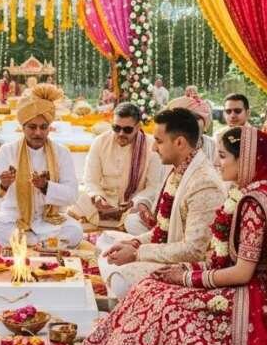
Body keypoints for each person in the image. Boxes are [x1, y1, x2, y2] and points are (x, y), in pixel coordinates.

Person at [68, 126, 267, 345]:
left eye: (223, 156)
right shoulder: (242, 194)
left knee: (168, 307)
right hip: (230, 282)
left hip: (250, 297)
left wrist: (186, 278)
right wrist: (183, 271)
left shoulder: (254, 204)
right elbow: (217, 256)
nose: (218, 162)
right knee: (149, 287)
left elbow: (243, 272)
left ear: (245, 161)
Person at [96, 108, 226, 299]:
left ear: (179, 142)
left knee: (119, 278)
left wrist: (136, 253)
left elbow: (194, 251)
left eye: (158, 141)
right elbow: (162, 231)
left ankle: (125, 302)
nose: (153, 148)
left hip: (187, 267)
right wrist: (133, 242)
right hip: (170, 250)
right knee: (106, 241)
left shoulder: (204, 183)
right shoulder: (179, 170)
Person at [0, 84, 82, 247]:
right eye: (32, 127)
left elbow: (72, 195)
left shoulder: (61, 152)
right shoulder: (8, 151)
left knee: (75, 232)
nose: (38, 133)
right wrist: (3, 185)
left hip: (48, 219)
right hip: (14, 218)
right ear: (23, 127)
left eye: (43, 127)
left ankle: (25, 243)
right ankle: (42, 244)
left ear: (50, 127)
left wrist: (46, 187)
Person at [70, 103, 162, 229]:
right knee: (79, 201)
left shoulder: (151, 146)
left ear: (138, 127)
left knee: (136, 221)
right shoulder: (100, 141)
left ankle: (123, 224)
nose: (121, 133)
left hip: (133, 203)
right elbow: (90, 179)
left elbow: (154, 186)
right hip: (103, 201)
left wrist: (134, 202)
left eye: (127, 129)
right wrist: (97, 196)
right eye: (116, 128)